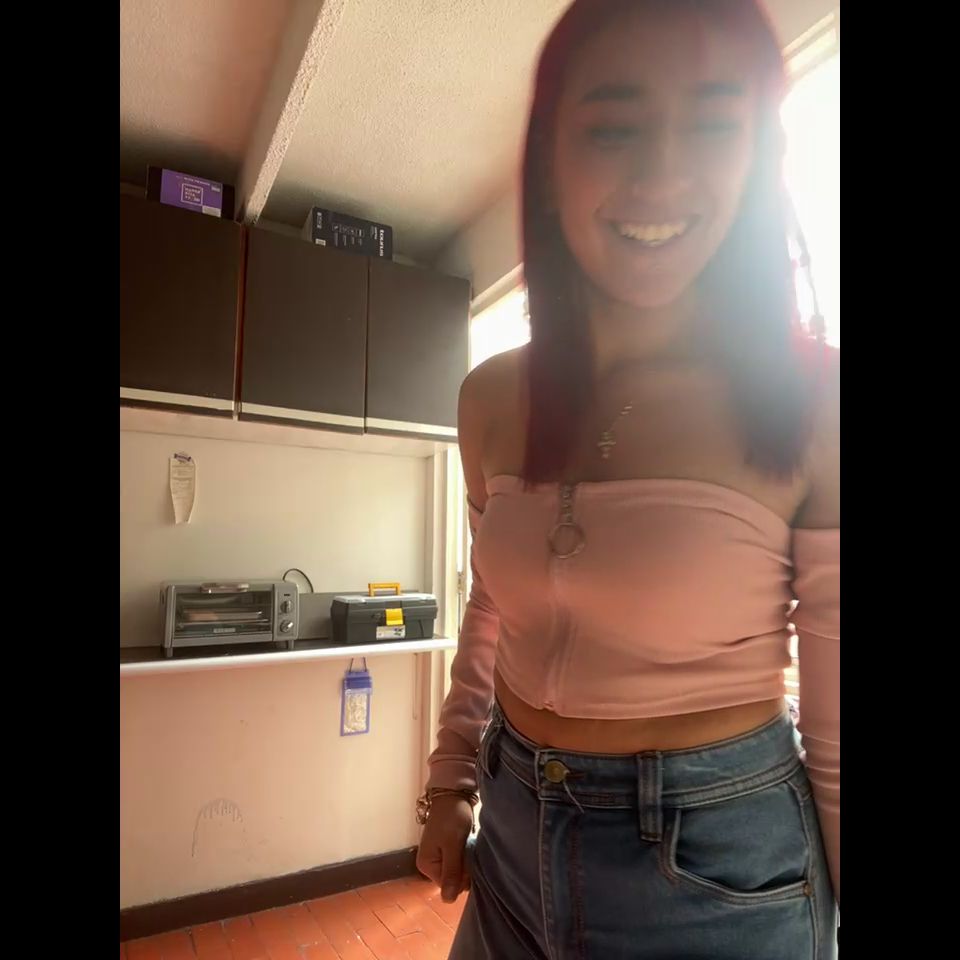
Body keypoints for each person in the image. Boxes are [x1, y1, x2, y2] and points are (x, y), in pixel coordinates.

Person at [416, 1, 839, 957]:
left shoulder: (814, 401)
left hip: (718, 871)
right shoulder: (491, 399)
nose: (663, 175)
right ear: (549, 159)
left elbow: (838, 734)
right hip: (511, 835)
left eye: (715, 125)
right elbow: (493, 604)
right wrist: (451, 780)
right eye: (614, 127)